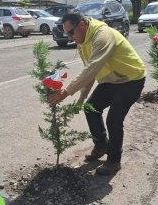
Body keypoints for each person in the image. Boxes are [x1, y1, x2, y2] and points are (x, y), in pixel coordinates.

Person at [48, 11, 146, 175]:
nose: (70, 37)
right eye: (66, 34)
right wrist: (82, 96)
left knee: (114, 121)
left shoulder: (102, 35)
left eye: (71, 32)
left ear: (82, 24)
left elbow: (92, 67)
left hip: (131, 80)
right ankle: (101, 146)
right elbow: (90, 71)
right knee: (90, 108)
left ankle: (114, 161)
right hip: (111, 80)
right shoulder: (82, 41)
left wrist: (66, 92)